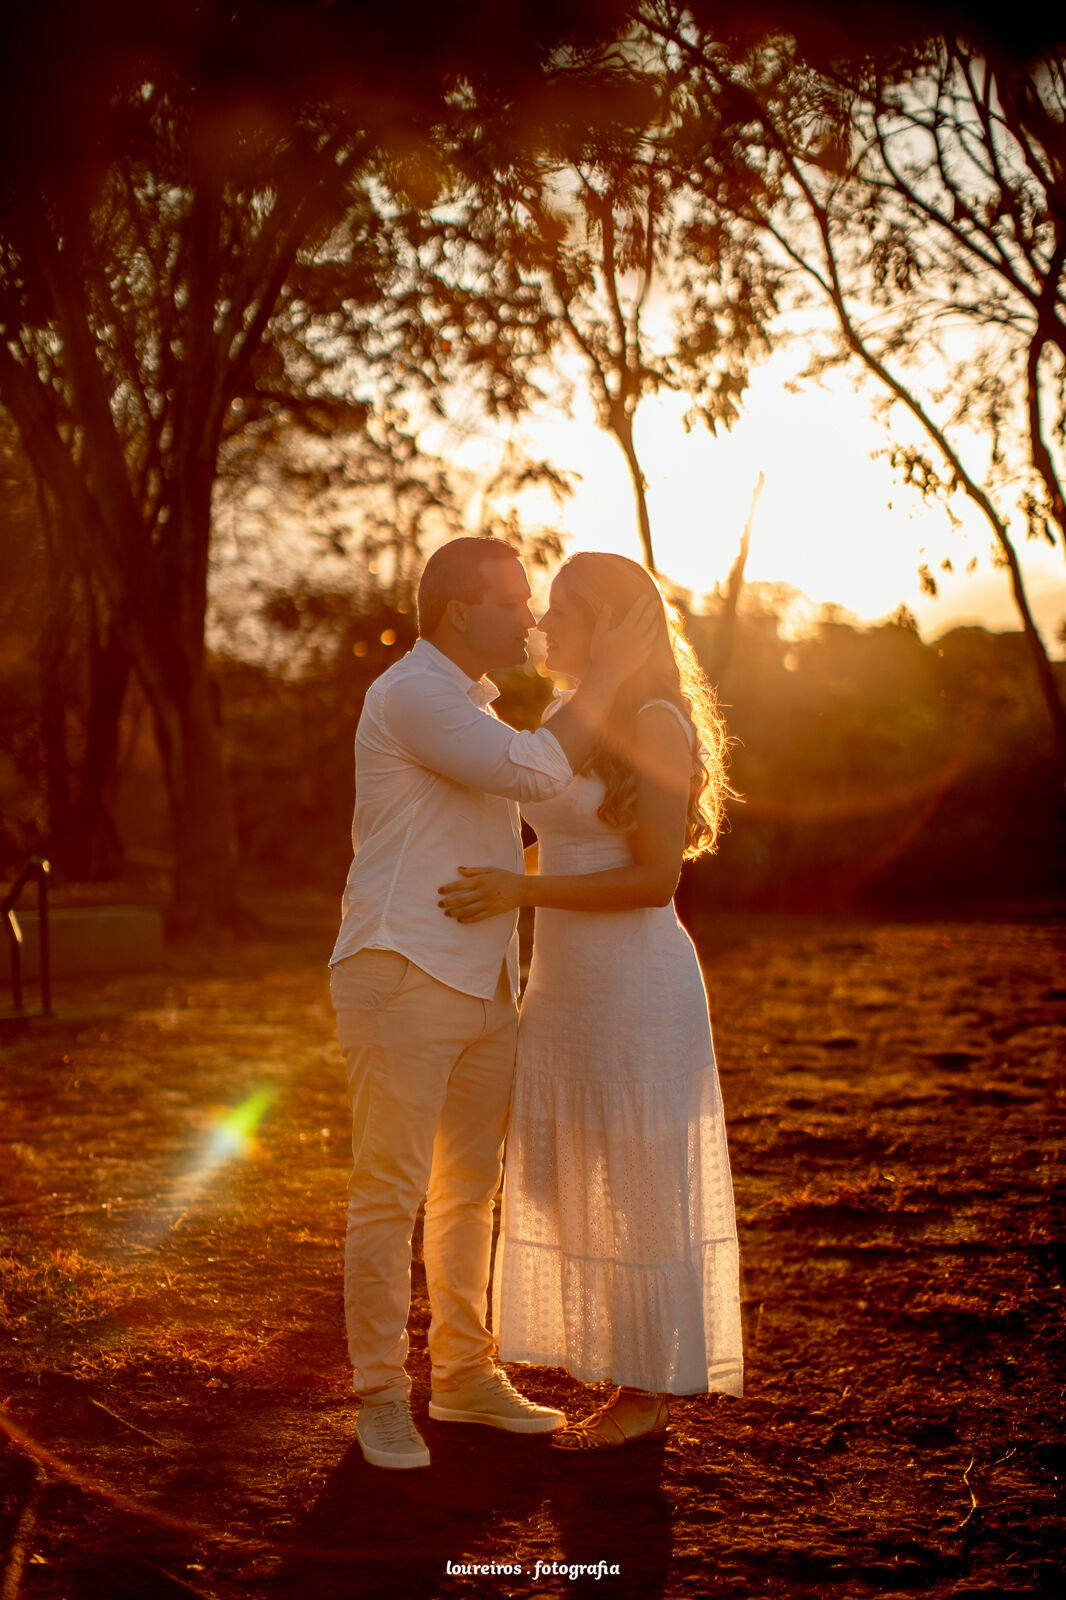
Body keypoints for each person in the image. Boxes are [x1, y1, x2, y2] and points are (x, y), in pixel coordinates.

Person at [329, 536, 657, 1470]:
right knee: (391, 1194)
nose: (530, 616)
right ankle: (381, 1396)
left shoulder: (472, 703)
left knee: (468, 1194)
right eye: (511, 601)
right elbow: (540, 773)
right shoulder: (413, 693)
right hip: (401, 971)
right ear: (456, 613)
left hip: (483, 981)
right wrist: (616, 674)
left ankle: (464, 1378)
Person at [438, 551, 744, 1450]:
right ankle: (619, 1362)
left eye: (564, 611)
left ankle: (646, 1392)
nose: (543, 626)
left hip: (636, 986)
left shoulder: (655, 719)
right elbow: (561, 843)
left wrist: (516, 891)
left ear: (613, 625)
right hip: (563, 985)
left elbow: (653, 879)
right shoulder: (572, 714)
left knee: (637, 1184)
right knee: (565, 1181)